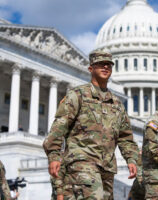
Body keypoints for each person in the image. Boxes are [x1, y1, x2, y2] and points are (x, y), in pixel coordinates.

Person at [43, 50, 139, 200]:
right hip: (82, 162)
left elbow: (125, 137)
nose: (105, 67)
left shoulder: (117, 104)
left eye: (108, 65)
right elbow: (58, 128)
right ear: (91, 69)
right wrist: (54, 156)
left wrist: (131, 159)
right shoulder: (77, 95)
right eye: (100, 64)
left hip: (107, 167)